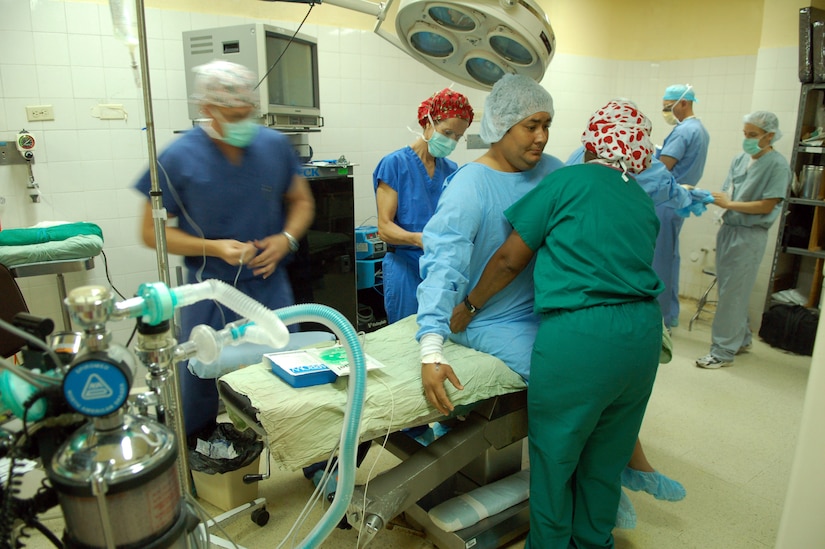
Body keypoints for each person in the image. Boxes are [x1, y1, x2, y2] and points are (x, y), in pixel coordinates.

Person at [452, 99, 663, 548]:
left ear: (591, 141)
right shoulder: (640, 199)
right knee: (604, 463)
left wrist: (467, 307)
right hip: (642, 338)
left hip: (582, 337)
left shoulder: (566, 181)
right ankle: (592, 541)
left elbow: (509, 259)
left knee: (555, 461)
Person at [135, 60, 314, 438]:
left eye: (247, 112)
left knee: (291, 376)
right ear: (206, 109)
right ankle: (201, 463)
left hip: (270, 290)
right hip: (209, 291)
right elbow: (152, 233)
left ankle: (316, 466)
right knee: (197, 387)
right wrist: (214, 248)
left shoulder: (273, 146)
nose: (242, 121)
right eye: (231, 114)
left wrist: (286, 239)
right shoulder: (178, 157)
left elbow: (301, 201)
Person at [416, 73, 564, 403]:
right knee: (562, 377)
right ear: (501, 126)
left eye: (547, 124)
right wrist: (431, 349)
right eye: (531, 126)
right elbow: (444, 266)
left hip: (549, 313)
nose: (541, 137)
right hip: (487, 320)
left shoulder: (554, 173)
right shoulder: (470, 185)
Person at [696, 111, 791, 369]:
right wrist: (702, 196)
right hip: (729, 229)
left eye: (753, 135)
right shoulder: (741, 159)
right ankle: (742, 339)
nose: (747, 139)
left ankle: (722, 352)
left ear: (769, 136)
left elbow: (767, 205)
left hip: (749, 235)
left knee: (732, 295)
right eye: (745, 134)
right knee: (730, 290)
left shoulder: (777, 165)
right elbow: (728, 193)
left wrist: (731, 204)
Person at [373, 89, 474, 323]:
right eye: (447, 132)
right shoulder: (395, 164)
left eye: (457, 137)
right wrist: (421, 239)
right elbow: (384, 228)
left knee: (439, 335)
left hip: (439, 268)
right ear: (428, 123)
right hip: (405, 268)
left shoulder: (451, 170)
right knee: (406, 337)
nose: (451, 141)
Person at [656, 84, 711, 329]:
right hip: (678, 202)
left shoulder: (683, 131)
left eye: (668, 107)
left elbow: (664, 167)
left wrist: (648, 159)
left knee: (659, 262)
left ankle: (659, 319)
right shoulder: (700, 130)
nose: (666, 112)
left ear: (683, 103)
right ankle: (670, 314)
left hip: (666, 201)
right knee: (670, 258)